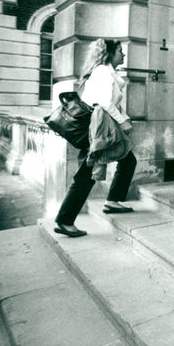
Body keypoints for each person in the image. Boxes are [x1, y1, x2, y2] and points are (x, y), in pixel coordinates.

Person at [54, 39, 137, 237]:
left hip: (103, 124)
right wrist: (122, 122)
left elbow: (111, 104)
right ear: (110, 53)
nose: (123, 55)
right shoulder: (102, 71)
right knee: (87, 172)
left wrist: (123, 118)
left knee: (128, 160)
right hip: (99, 127)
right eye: (120, 51)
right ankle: (65, 220)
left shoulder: (106, 72)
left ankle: (112, 201)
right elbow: (105, 102)